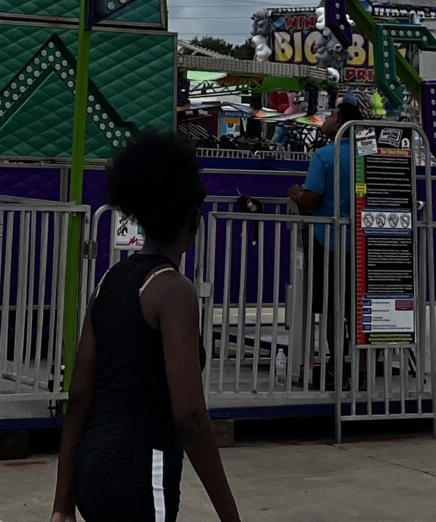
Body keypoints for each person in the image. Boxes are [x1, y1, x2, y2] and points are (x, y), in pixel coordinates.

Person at [51, 132, 241, 522]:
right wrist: (229, 514)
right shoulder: (173, 291)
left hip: (91, 470)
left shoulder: (109, 282)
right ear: (195, 219)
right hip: (142, 470)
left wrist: (62, 502)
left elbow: (80, 394)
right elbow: (189, 416)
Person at [287, 98, 363, 373]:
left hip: (327, 239)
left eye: (331, 115)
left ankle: (336, 362)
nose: (326, 119)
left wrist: (297, 194)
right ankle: (362, 367)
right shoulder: (365, 155)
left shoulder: (324, 155)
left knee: (331, 305)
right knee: (357, 305)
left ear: (340, 123)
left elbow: (311, 199)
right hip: (361, 242)